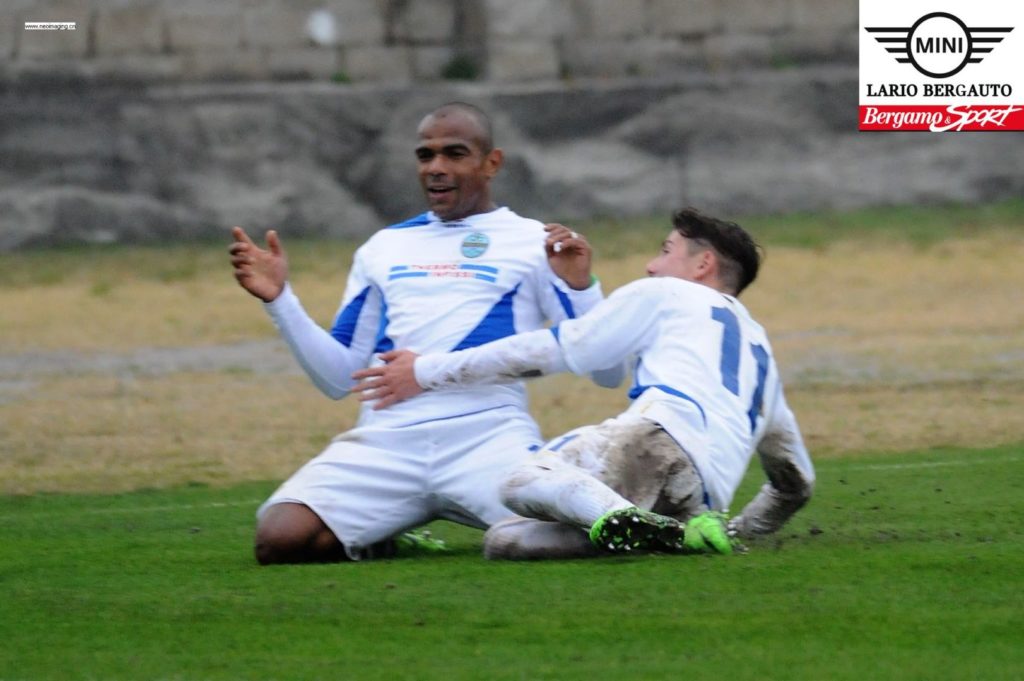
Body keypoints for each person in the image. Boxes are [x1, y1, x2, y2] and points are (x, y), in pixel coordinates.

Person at [229, 102, 622, 564]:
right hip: (388, 441)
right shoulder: (383, 247)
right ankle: (386, 531)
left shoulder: (539, 241)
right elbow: (339, 378)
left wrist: (581, 286)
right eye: (425, 156)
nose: (436, 168)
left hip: (488, 438)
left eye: (455, 154)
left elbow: (608, 371)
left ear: (491, 163)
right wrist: (280, 300)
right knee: (280, 540)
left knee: (581, 528)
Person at [352, 208, 815, 560]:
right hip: (701, 497)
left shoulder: (664, 293)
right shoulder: (764, 359)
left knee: (519, 480)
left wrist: (427, 370)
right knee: (505, 540)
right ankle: (674, 535)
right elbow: (795, 485)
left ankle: (621, 518)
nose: (652, 266)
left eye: (665, 250)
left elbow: (552, 349)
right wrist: (740, 533)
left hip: (656, 439)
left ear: (703, 264)